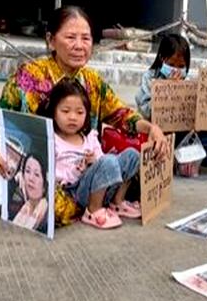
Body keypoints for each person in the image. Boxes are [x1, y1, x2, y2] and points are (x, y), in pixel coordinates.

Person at [0, 6, 169, 178]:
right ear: (51, 41)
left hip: (82, 177)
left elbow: (122, 115)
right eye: (71, 38)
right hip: (36, 177)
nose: (79, 46)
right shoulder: (28, 76)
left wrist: (152, 128)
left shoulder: (93, 82)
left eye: (86, 38)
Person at [40, 79, 140, 229]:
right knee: (108, 161)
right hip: (76, 191)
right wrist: (78, 170)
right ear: (54, 112)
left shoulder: (89, 137)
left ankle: (117, 202)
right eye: (65, 111)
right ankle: (93, 210)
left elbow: (103, 161)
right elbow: (54, 173)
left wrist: (93, 162)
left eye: (79, 112)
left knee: (132, 155)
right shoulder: (53, 140)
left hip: (102, 187)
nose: (73, 117)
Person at [134, 33, 191, 120]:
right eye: (171, 64)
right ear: (162, 58)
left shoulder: (189, 83)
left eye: (181, 66)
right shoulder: (149, 78)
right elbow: (145, 112)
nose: (176, 70)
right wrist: (166, 89)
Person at [11, 153, 48, 233]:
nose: (31, 178)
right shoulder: (19, 201)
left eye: (37, 174)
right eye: (27, 171)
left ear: (44, 185)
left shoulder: (47, 213)